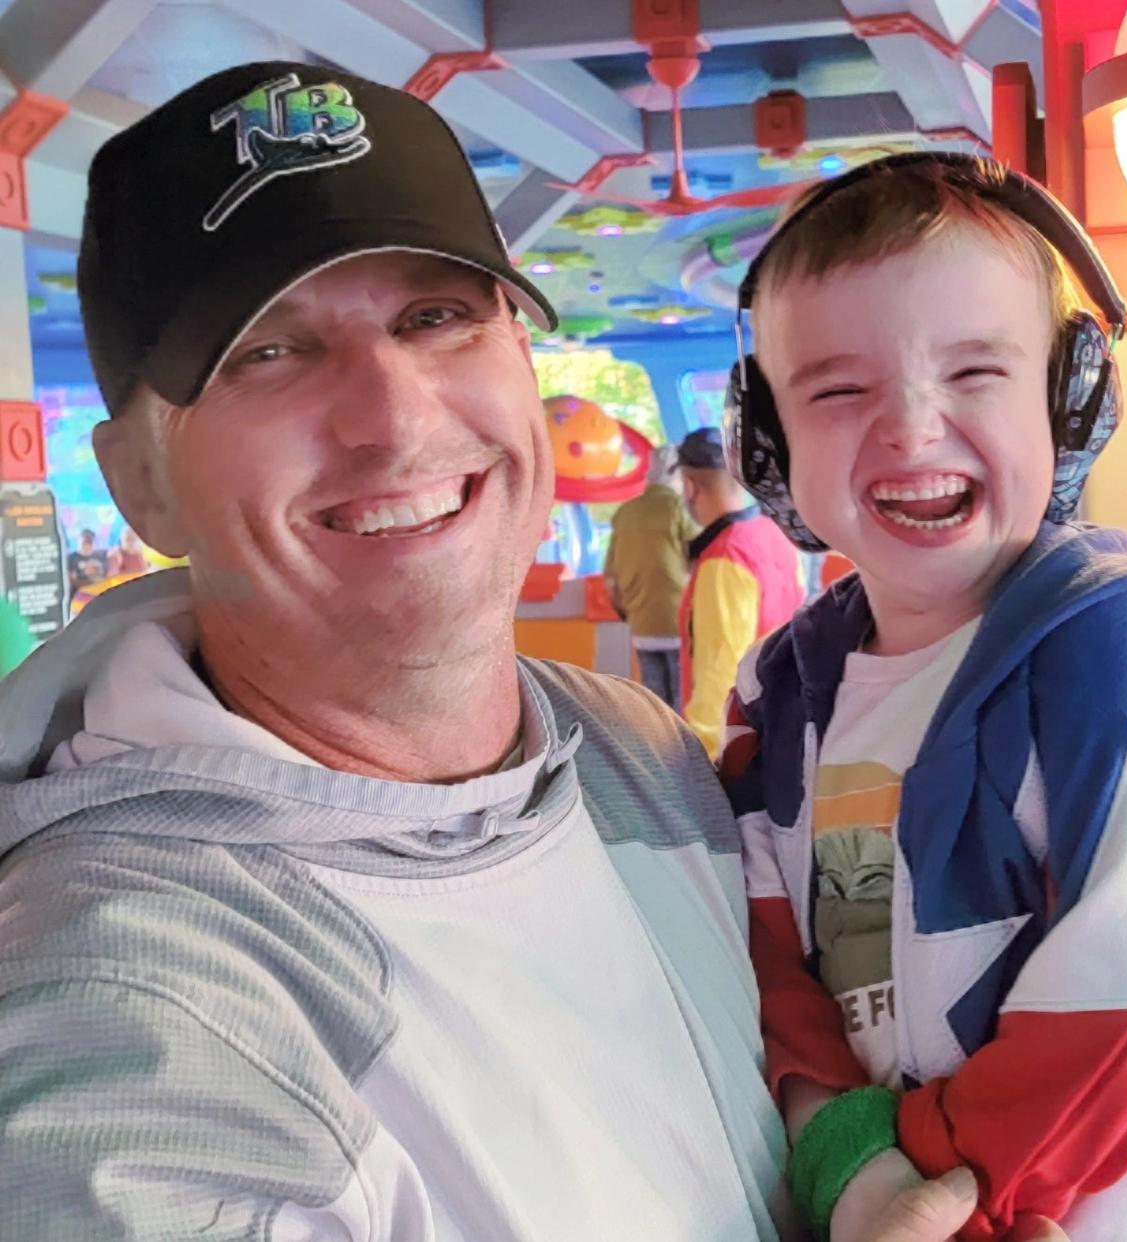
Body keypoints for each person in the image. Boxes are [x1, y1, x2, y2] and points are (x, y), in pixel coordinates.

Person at [0, 60, 800, 1241]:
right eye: (267, 351)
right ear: (141, 487)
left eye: (438, 316)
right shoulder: (130, 1000)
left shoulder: (632, 754)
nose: (398, 416)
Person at [719, 153, 1127, 1241]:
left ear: (1071, 402)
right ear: (768, 444)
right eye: (840, 388)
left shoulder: (1109, 652)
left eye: (974, 374)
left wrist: (943, 1183)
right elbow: (766, 948)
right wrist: (839, 1151)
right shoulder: (781, 703)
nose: (911, 429)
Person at [676, 426, 803, 759]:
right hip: (778, 724)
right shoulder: (774, 536)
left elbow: (719, 670)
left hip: (735, 748)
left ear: (689, 487)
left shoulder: (724, 557)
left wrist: (704, 756)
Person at [604, 441, 695, 708]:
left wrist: (628, 612)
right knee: (683, 704)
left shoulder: (625, 513)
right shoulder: (679, 509)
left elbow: (611, 577)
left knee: (655, 705)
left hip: (641, 622)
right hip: (679, 621)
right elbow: (701, 559)